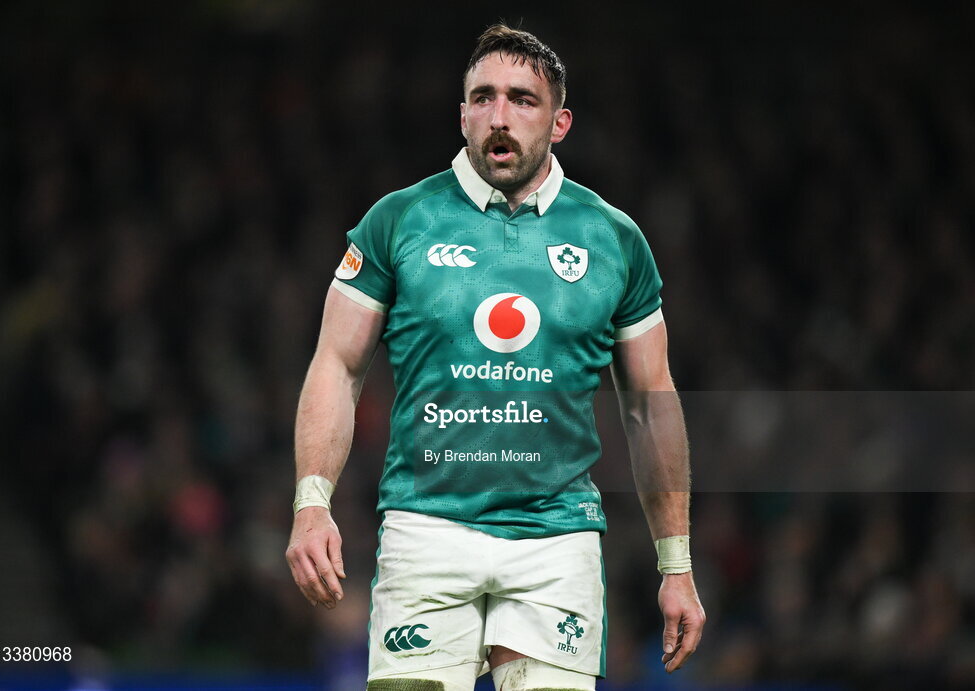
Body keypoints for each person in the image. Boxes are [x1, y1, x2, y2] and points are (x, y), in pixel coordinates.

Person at [286, 24, 705, 691]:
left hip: (554, 539)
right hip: (424, 529)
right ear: (461, 114)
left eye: (521, 99)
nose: (499, 116)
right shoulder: (397, 221)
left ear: (559, 121)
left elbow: (650, 405)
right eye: (482, 97)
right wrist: (312, 502)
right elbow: (336, 364)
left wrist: (675, 563)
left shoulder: (613, 238)